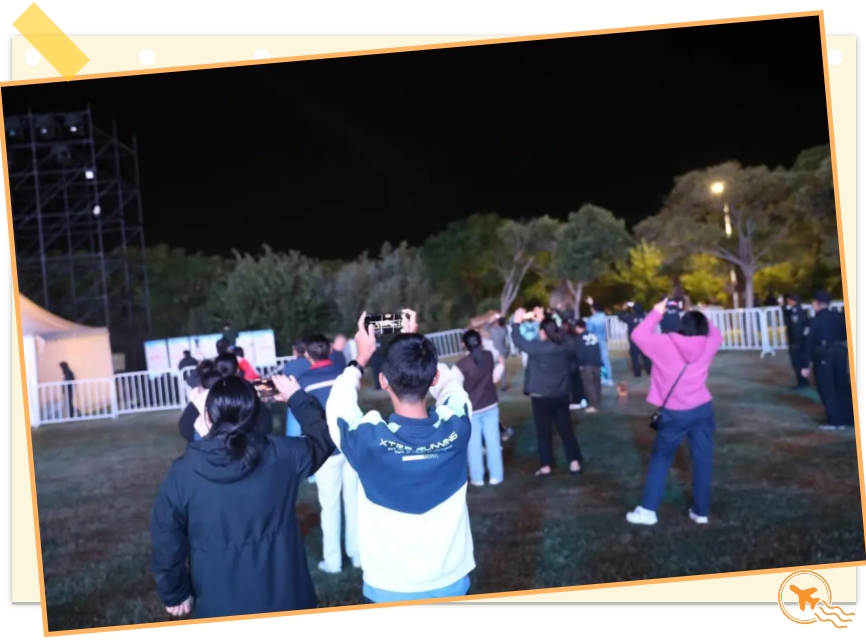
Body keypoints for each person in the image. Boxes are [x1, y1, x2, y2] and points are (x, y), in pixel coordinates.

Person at [150, 374, 336, 619]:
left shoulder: (184, 472)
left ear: (208, 417)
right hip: (286, 597)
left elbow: (166, 534)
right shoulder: (282, 454)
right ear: (256, 414)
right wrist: (297, 398)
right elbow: (323, 436)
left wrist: (174, 592)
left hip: (219, 602)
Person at [326, 309, 475, 603]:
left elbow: (338, 406)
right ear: (433, 377)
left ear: (384, 381)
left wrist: (359, 359)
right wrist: (416, 347)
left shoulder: (367, 440)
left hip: (389, 587)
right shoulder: (458, 426)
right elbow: (453, 389)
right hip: (452, 580)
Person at [625, 298, 722, 526]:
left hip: (675, 412)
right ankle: (700, 511)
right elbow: (716, 333)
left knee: (661, 458)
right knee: (702, 460)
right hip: (702, 409)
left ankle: (648, 510)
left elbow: (638, 335)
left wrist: (656, 312)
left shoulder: (664, 343)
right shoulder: (709, 343)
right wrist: (700, 315)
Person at [298, 334, 361, 573]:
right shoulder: (343, 375)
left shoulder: (304, 381)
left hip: (324, 450)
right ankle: (357, 555)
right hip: (350, 445)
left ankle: (333, 561)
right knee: (354, 503)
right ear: (329, 350)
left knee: (330, 506)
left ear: (307, 354)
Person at [510, 309, 583, 477]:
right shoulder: (565, 346)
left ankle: (546, 466)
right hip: (561, 394)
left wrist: (516, 322)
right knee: (566, 430)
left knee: (543, 432)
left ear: (543, 333)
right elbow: (565, 335)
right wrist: (546, 322)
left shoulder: (537, 348)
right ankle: (574, 463)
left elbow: (518, 340)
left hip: (541, 396)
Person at [455, 330, 504, 487]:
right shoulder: (489, 356)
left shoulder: (460, 366)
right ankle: (496, 475)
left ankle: (477, 477)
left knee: (473, 445)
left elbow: (456, 389)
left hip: (472, 409)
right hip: (490, 404)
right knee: (493, 441)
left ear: (464, 344)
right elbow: (498, 365)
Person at [800, 291, 853, 430]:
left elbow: (809, 343)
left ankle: (835, 420)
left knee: (827, 388)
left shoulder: (815, 320)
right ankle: (849, 417)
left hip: (824, 356)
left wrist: (805, 365)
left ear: (817, 304)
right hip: (840, 354)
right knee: (842, 385)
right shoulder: (839, 316)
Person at [282, 339, 312, 437]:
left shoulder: (289, 366)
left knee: (293, 435)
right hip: (313, 400)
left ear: (295, 350)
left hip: (295, 401)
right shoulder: (312, 363)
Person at [573, 319, 602, 413]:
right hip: (597, 363)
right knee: (597, 384)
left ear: (577, 327)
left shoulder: (579, 338)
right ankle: (597, 401)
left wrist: (579, 364)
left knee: (589, 385)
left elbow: (579, 353)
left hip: (586, 365)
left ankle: (594, 405)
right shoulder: (593, 335)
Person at [782, 294, 809, 390]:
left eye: (789, 300)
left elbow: (795, 328)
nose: (788, 302)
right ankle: (803, 380)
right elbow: (787, 314)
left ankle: (802, 382)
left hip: (796, 341)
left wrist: (794, 342)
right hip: (800, 341)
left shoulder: (796, 312)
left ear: (793, 301)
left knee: (797, 362)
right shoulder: (800, 310)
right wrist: (783, 307)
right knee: (800, 362)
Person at [585, 298, 613, 386]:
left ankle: (602, 377)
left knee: (599, 360)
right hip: (604, 340)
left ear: (593, 309)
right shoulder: (604, 316)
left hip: (596, 341)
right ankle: (609, 378)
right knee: (605, 359)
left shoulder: (591, 319)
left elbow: (589, 331)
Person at [489, 316, 511, 391]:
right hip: (501, 350)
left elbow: (488, 326)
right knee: (502, 367)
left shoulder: (493, 330)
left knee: (491, 368)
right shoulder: (504, 329)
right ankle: (504, 384)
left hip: (494, 351)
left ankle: (492, 384)